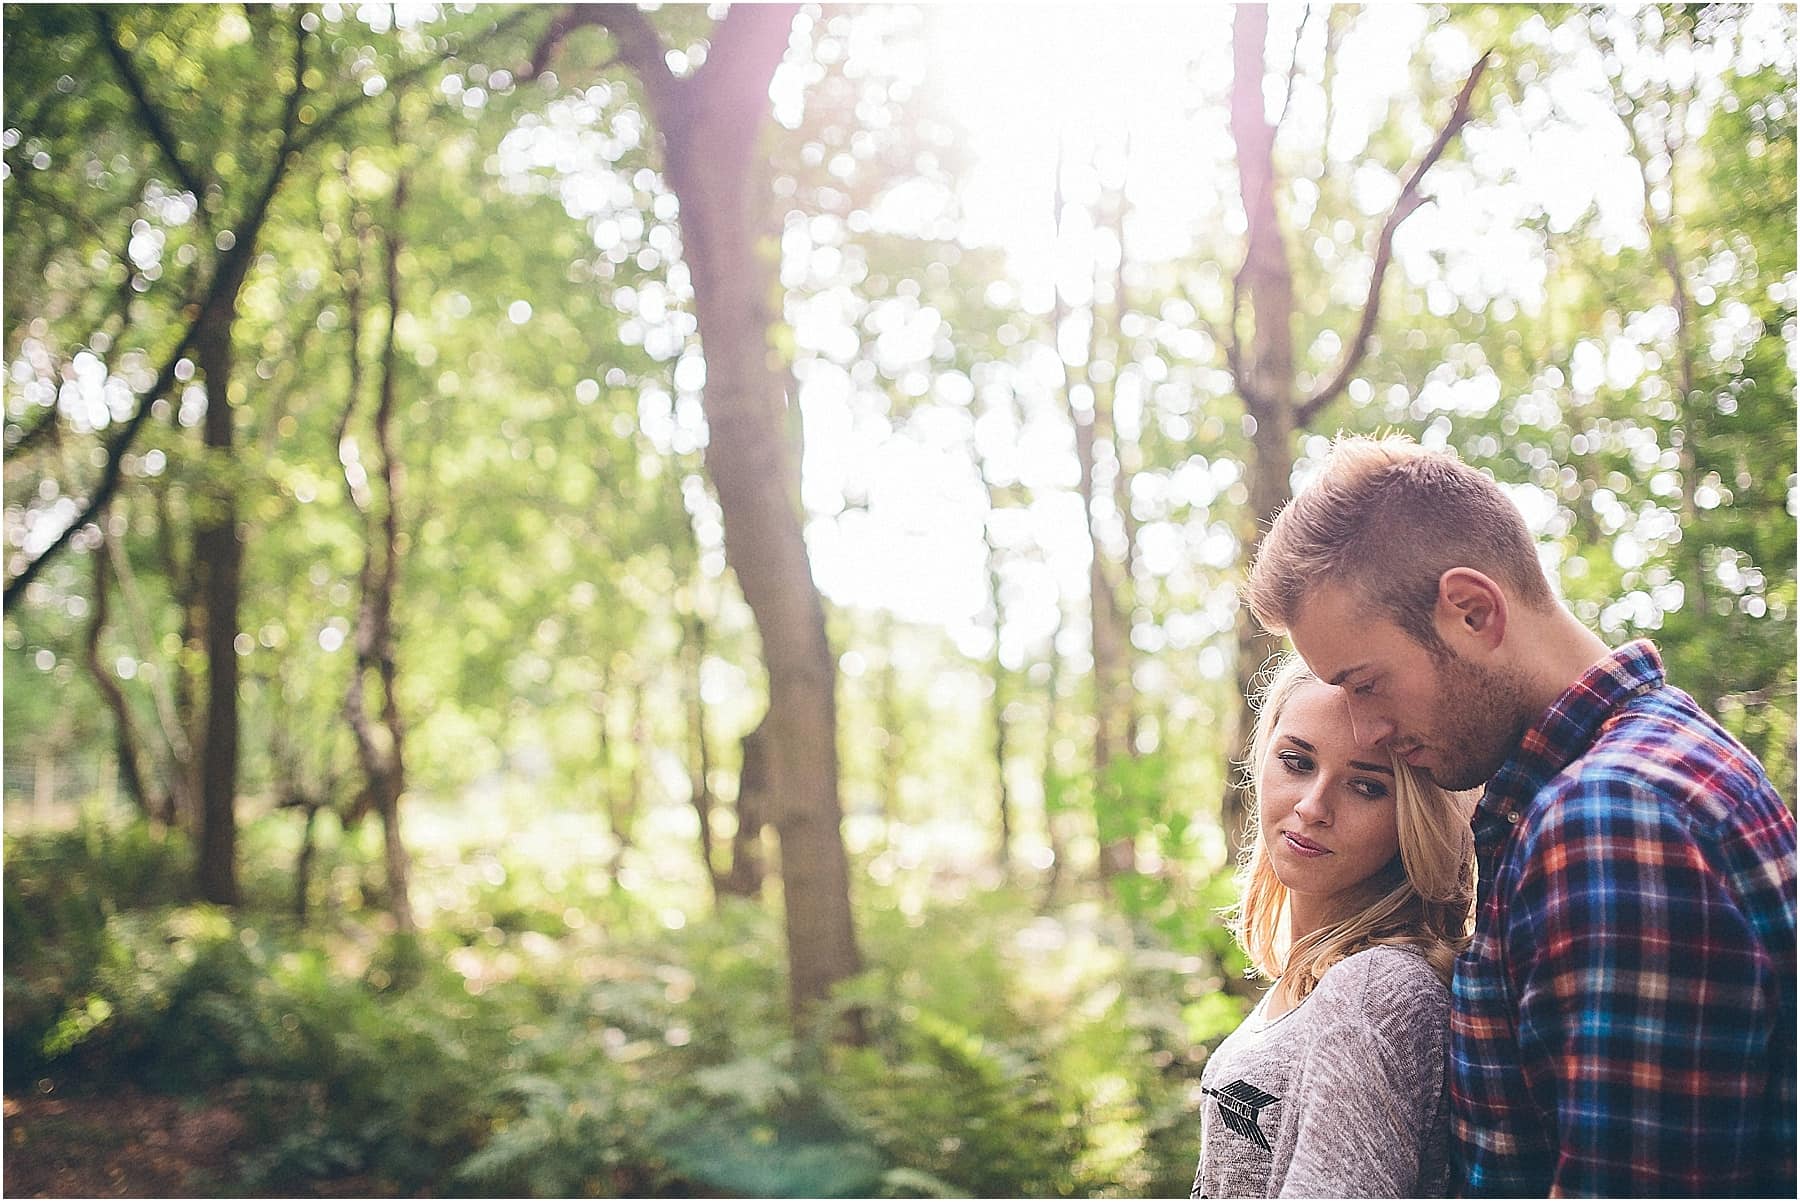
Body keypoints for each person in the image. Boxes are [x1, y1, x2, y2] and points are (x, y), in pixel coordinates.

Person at [1243, 433, 1797, 1197]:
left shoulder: (1609, 819)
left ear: (1472, 611)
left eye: (1367, 683)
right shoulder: (1653, 761)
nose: (1368, 731)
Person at [1191, 653, 1474, 1198]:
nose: (1313, 806)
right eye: (1297, 762)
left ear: (1415, 817)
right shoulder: (1316, 979)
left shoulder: (1376, 992)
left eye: (1367, 786)